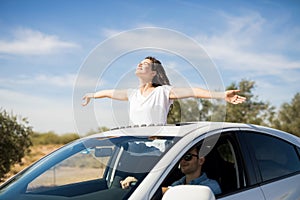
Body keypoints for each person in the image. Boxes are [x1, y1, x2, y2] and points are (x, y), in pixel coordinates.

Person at [82, 56, 246, 125]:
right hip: (134, 148)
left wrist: (221, 95)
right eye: (139, 63)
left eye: (144, 64)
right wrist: (92, 95)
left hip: (155, 149)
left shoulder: (163, 92)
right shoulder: (132, 94)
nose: (139, 65)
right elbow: (109, 93)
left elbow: (193, 91)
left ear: (153, 73)